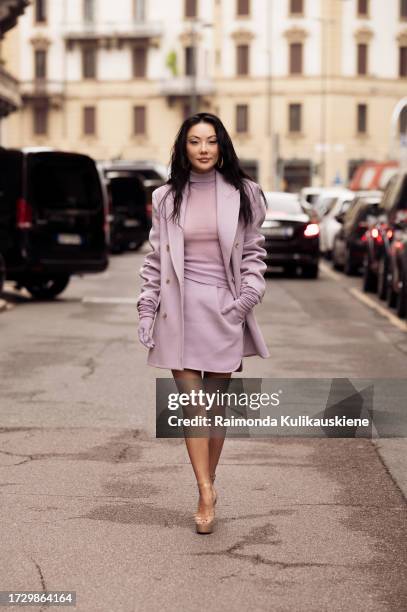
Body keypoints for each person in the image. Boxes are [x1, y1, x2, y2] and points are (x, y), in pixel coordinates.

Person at [136, 112, 269, 534]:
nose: (204, 149)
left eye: (211, 141)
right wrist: (146, 308)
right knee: (192, 408)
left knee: (214, 409)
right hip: (179, 311)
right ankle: (205, 490)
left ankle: (205, 485)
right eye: (195, 141)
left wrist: (245, 299)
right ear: (184, 148)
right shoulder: (165, 198)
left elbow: (253, 253)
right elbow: (155, 261)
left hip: (224, 310)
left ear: (222, 146)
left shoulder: (245, 193)